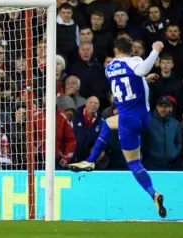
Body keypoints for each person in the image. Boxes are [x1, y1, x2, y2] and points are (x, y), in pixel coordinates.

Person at [68, 37, 167, 218]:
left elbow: (133, 76)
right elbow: (139, 72)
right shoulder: (135, 61)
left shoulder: (110, 68)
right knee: (109, 123)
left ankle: (153, 192)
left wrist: (153, 57)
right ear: (132, 50)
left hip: (128, 120)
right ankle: (154, 195)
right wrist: (155, 51)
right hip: (144, 118)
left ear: (115, 51)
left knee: (134, 163)